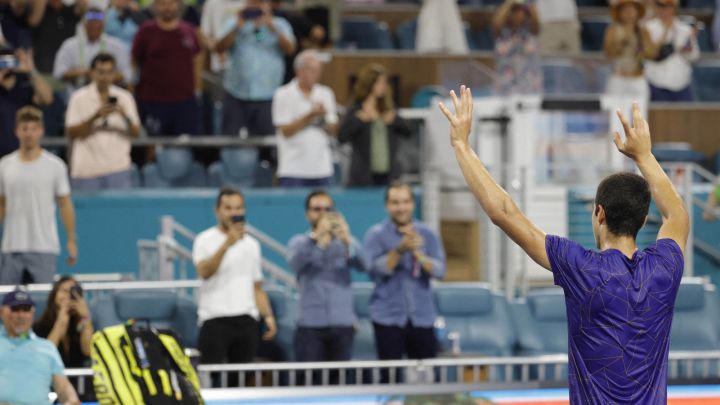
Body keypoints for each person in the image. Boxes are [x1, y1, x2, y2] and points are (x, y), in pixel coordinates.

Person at [440, 85, 688, 403]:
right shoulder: (665, 268)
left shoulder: (582, 268)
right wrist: (644, 156)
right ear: (642, 221)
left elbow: (503, 213)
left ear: (599, 213)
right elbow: (677, 214)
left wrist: (461, 144)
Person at [193, 187, 277, 380]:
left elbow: (256, 285)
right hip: (214, 319)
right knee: (210, 380)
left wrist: (268, 315)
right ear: (217, 211)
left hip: (246, 321)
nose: (234, 213)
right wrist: (226, 245)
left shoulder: (251, 244)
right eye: (228, 208)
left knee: (241, 380)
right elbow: (204, 272)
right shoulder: (204, 240)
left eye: (238, 208)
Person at [363, 182, 446, 361]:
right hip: (387, 318)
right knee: (389, 378)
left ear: (412, 204)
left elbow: (440, 271)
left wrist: (419, 254)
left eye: (405, 201)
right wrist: (400, 249)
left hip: (422, 317)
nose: (401, 207)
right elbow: (375, 270)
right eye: (395, 202)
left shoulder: (428, 234)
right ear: (387, 206)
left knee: (424, 378)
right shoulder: (375, 235)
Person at [0, 106, 77, 285]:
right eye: (24, 129)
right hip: (12, 247)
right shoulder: (4, 166)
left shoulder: (55, 166)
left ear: (41, 131)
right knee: (7, 307)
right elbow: (2, 205)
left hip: (44, 247)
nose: (29, 134)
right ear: (17, 131)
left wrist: (71, 240)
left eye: (34, 129)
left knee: (43, 305)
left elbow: (65, 204)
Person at [287, 190, 364, 362]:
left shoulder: (345, 242)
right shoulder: (299, 243)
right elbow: (295, 264)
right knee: (310, 384)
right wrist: (320, 242)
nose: (323, 214)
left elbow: (364, 265)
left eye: (327, 209)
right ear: (308, 214)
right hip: (310, 325)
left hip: (342, 323)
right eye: (317, 209)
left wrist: (347, 241)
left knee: (340, 383)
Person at [215, 0, 295, 137]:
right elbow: (219, 48)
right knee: (231, 140)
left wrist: (271, 26)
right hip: (236, 94)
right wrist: (236, 27)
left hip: (268, 95)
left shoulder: (280, 24)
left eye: (260, 3)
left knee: (267, 144)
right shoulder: (233, 22)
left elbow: (290, 49)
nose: (256, 7)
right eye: (252, 3)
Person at [65, 53, 140, 191]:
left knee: (119, 212)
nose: (105, 77)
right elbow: (71, 133)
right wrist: (95, 117)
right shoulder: (78, 98)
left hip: (118, 170)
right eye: (101, 72)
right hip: (86, 171)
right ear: (92, 73)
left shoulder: (125, 98)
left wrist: (124, 115)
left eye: (109, 72)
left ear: (114, 74)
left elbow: (136, 133)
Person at [132, 0, 202, 136]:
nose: (167, 7)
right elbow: (134, 61)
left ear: (178, 5)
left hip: (184, 102)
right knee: (152, 148)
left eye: (171, 3)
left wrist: (197, 88)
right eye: (162, 3)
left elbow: (197, 60)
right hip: (152, 102)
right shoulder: (146, 31)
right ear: (155, 6)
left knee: (184, 147)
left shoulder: (189, 31)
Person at [0, 288, 80, 405]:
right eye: (15, 309)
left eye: (26, 310)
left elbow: (63, 386)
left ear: (32, 314)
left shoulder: (47, 347)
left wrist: (71, 399)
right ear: (2, 312)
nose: (21, 315)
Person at [272, 49, 337, 187]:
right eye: (313, 70)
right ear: (299, 71)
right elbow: (285, 131)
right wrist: (310, 116)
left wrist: (323, 119)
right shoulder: (283, 94)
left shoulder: (326, 93)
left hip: (323, 169)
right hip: (293, 169)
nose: (317, 75)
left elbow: (333, 130)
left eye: (319, 70)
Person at [338, 63, 411, 187]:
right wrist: (359, 120)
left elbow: (408, 132)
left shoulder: (388, 108)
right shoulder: (356, 109)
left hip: (389, 176)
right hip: (363, 177)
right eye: (379, 82)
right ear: (369, 84)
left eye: (384, 82)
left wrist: (395, 120)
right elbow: (341, 137)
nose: (383, 86)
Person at [53, 9, 132, 92]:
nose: (94, 26)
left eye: (97, 23)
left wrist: (104, 76)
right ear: (84, 24)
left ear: (103, 25)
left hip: (108, 94)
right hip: (77, 93)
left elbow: (127, 74)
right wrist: (83, 73)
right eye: (91, 23)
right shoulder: (69, 45)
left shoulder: (116, 45)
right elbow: (58, 73)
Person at [0, 45, 53, 157]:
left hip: (24, 155)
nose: (4, 64)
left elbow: (47, 99)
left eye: (8, 60)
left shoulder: (26, 83)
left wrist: (31, 70)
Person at [644, 0, 700, 102]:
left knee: (686, 117)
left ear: (675, 7)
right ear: (656, 7)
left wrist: (687, 49)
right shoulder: (648, 28)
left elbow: (694, 56)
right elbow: (648, 54)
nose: (665, 9)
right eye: (661, 5)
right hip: (656, 84)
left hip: (681, 84)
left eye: (669, 6)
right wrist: (664, 35)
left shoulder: (685, 29)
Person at [34, 276, 93, 367]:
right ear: (54, 295)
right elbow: (44, 355)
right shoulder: (39, 326)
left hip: (78, 379)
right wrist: (61, 321)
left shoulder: (81, 324)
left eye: (73, 292)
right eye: (64, 291)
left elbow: (88, 351)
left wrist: (85, 317)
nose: (68, 296)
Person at [604, 0, 655, 99]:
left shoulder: (643, 31)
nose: (629, 13)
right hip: (618, 78)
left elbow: (651, 54)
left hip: (637, 79)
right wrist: (623, 42)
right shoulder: (613, 30)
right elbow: (608, 54)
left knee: (639, 113)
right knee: (615, 112)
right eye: (625, 10)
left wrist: (643, 46)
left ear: (637, 12)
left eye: (632, 9)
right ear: (619, 12)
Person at [492, 0, 542, 95]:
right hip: (505, 90)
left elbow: (536, 23)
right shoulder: (502, 38)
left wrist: (528, 5)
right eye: (515, 9)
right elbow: (498, 21)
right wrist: (511, 3)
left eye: (523, 10)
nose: (519, 13)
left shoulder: (531, 36)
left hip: (529, 90)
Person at [27, 0, 87, 76]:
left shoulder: (69, 11)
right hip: (44, 70)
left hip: (67, 73)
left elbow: (83, 5)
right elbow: (33, 21)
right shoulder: (41, 11)